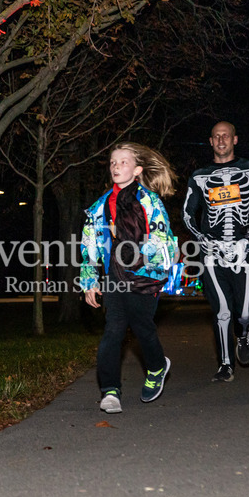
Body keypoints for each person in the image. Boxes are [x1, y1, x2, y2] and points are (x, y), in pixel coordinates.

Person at [81, 142, 178, 414]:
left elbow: (162, 239)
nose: (116, 166)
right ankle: (110, 391)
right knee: (113, 331)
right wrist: (89, 281)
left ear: (137, 170)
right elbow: (89, 246)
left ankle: (157, 367)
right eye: (113, 162)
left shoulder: (150, 201)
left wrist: (140, 259)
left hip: (145, 275)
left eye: (123, 162)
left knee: (141, 327)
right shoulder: (99, 207)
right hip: (114, 276)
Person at [182, 121, 249, 382]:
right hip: (213, 251)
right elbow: (187, 213)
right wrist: (200, 237)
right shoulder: (200, 176)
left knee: (244, 312)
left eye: (226, 136)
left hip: (246, 248)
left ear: (235, 139)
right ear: (211, 141)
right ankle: (225, 365)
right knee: (222, 311)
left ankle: (243, 334)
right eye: (216, 136)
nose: (221, 140)